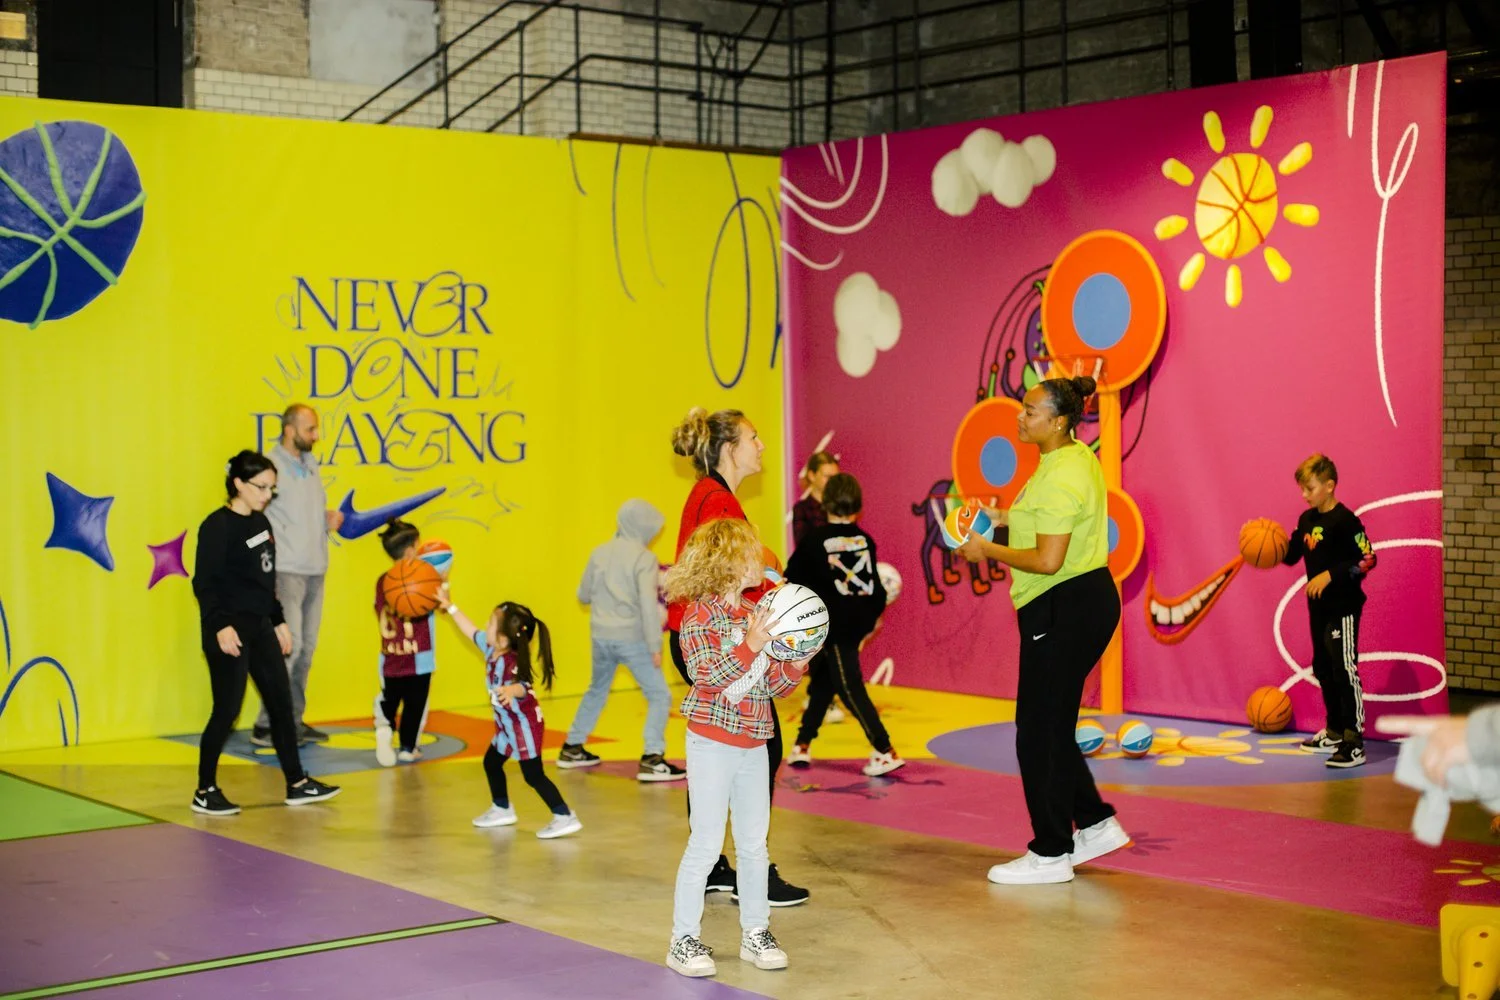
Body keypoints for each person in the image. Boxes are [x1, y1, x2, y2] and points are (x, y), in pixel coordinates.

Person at [957, 377, 1128, 885]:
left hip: (1063, 604)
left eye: (1030, 411)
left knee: (1036, 733)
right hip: (1078, 600)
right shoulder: (1069, 458)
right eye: (1022, 409)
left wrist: (986, 549)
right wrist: (1002, 517)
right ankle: (1095, 824)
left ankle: (1051, 851)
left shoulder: (1061, 475)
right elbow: (1048, 526)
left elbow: (1048, 560)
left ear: (1058, 421)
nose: (1020, 418)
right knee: (1050, 726)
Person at [667, 406, 809, 906]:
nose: (762, 445)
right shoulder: (716, 501)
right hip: (717, 635)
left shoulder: (712, 495)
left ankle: (719, 865)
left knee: (750, 739)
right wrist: (775, 604)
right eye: (753, 437)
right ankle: (743, 863)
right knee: (757, 742)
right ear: (729, 448)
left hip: (719, 633)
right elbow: (720, 578)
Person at [663, 519, 810, 978]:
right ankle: (682, 940)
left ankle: (755, 932)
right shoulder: (698, 617)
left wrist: (797, 662)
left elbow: (771, 685)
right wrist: (752, 643)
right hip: (711, 742)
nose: (760, 559)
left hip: (754, 742)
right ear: (726, 564)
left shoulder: (753, 614)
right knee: (705, 844)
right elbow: (708, 675)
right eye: (751, 552)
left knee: (753, 845)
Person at [191, 450, 341, 815]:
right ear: (238, 484)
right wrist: (219, 626)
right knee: (227, 710)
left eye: (272, 489)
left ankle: (297, 782)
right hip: (229, 630)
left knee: (280, 704)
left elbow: (265, 578)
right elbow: (204, 583)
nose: (266, 495)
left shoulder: (261, 525)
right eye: (261, 487)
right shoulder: (217, 526)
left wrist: (278, 620)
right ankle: (204, 790)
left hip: (260, 627)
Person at [783, 473, 904, 776]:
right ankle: (802, 744)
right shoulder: (865, 540)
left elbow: (793, 575)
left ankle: (883, 748)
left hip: (834, 626)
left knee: (849, 687)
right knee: (824, 682)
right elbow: (875, 588)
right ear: (858, 506)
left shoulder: (815, 540)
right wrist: (872, 616)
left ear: (824, 504)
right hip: (857, 622)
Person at [560, 499, 684, 781]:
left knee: (597, 689)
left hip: (601, 636)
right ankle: (653, 758)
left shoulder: (599, 553)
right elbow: (647, 605)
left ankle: (572, 747)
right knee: (659, 695)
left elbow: (583, 595)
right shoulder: (644, 558)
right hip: (633, 638)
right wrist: (655, 646)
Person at [443, 591, 582, 839]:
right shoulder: (490, 649)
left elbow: (524, 686)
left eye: (491, 624)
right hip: (506, 727)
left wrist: (510, 689)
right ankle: (502, 808)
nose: (485, 627)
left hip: (524, 727)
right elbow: (470, 629)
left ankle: (564, 815)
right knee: (491, 762)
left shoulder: (511, 662)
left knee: (533, 774)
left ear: (505, 639)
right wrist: (450, 607)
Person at [252, 403, 342, 746]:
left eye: (316, 429)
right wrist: (265, 557)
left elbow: (301, 513)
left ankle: (291, 720)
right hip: (286, 571)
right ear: (290, 430)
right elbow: (259, 518)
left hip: (316, 567)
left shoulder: (310, 464)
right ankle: (266, 725)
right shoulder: (269, 467)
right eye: (310, 430)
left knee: (306, 650)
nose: (316, 436)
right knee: (289, 648)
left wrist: (326, 519)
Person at [1281, 453, 1377, 768]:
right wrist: (1264, 540)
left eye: (1309, 488)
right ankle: (1335, 730)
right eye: (1303, 489)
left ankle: (1354, 741)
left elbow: (1368, 559)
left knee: (1344, 669)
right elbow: (1291, 555)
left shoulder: (1345, 521)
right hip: (1318, 608)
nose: (1304, 495)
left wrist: (1330, 574)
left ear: (1329, 485)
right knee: (1323, 667)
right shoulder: (1306, 520)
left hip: (1343, 607)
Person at [371, 519, 435, 767]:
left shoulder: (382, 581)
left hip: (390, 655)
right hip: (419, 657)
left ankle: (384, 725)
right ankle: (409, 747)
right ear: (411, 550)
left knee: (390, 697)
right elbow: (438, 605)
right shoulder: (422, 579)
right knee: (416, 705)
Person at [791, 451, 839, 546]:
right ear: (812, 475)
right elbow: (802, 546)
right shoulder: (801, 509)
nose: (833, 481)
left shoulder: (840, 506)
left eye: (836, 477)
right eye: (827, 476)